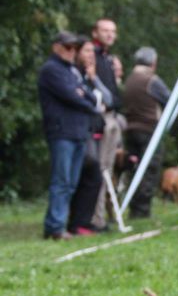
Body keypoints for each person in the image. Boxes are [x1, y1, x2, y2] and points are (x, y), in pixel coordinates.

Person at [38, 31, 101, 240]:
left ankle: (59, 224)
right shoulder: (51, 70)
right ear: (56, 47)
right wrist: (82, 97)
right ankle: (55, 227)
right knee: (62, 181)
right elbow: (73, 97)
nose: (71, 51)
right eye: (67, 47)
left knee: (72, 182)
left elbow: (90, 96)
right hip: (62, 131)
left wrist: (84, 96)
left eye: (74, 48)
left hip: (78, 132)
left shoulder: (72, 70)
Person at [67, 40, 114, 235]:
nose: (90, 55)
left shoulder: (89, 76)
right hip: (77, 130)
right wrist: (94, 102)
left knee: (93, 174)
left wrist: (94, 80)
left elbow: (109, 100)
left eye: (92, 52)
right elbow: (83, 100)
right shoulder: (71, 73)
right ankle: (74, 222)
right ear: (77, 52)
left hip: (92, 129)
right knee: (82, 174)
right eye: (86, 51)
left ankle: (81, 222)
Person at [121, 47, 171, 218]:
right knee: (149, 169)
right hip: (149, 130)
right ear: (153, 63)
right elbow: (170, 99)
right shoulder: (151, 80)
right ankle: (142, 211)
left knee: (133, 169)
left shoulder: (129, 79)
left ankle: (132, 206)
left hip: (130, 129)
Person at [90, 18, 124, 230]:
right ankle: (96, 218)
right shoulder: (92, 56)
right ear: (96, 32)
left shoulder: (107, 59)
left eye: (113, 31)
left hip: (112, 117)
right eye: (105, 30)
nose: (109, 34)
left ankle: (100, 216)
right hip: (100, 119)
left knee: (107, 170)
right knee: (100, 170)